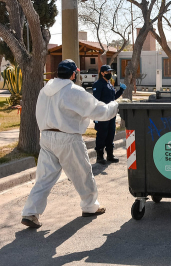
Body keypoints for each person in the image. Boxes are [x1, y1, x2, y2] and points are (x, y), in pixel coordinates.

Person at [21, 59, 120, 228]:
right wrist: (115, 104)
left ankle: (30, 212)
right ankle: (90, 206)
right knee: (83, 173)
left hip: (45, 138)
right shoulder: (74, 91)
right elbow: (100, 111)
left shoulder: (45, 90)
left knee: (44, 178)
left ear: (57, 73)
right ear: (74, 73)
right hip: (68, 138)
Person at [92, 65, 126, 164]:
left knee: (110, 134)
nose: (109, 74)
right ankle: (100, 156)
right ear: (102, 73)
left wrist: (121, 91)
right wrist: (96, 116)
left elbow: (113, 98)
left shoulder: (109, 84)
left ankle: (110, 155)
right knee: (102, 135)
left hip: (111, 114)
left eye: (110, 72)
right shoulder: (98, 84)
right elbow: (95, 100)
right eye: (107, 72)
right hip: (102, 114)